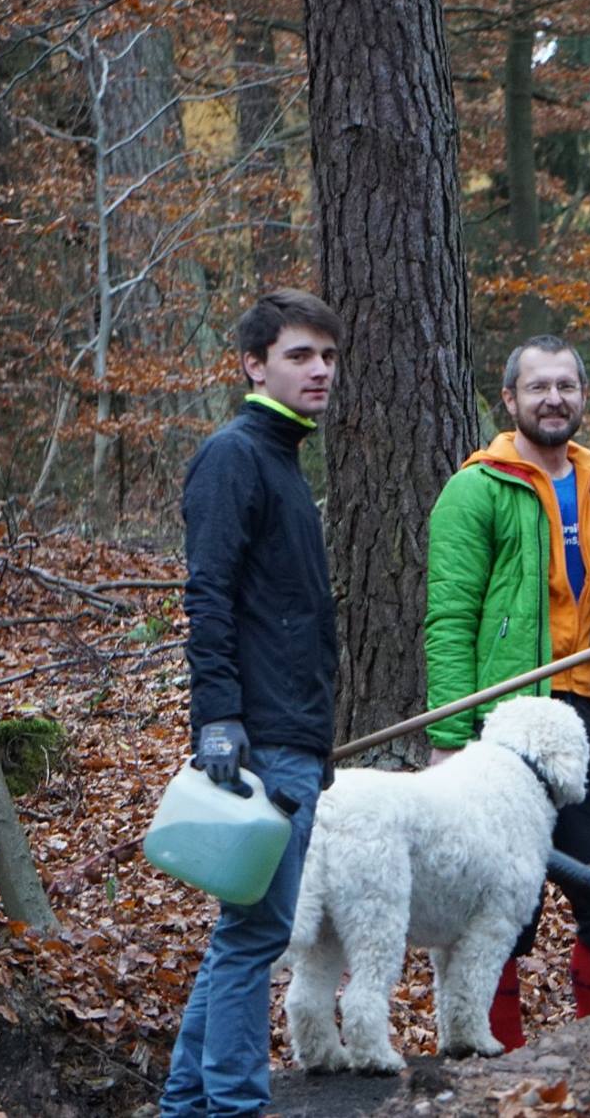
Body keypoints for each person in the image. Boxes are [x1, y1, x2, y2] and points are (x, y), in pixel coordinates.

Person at [423, 335, 590, 1051]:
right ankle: (493, 1061)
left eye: (566, 385)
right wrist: (451, 739)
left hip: (580, 722)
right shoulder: (476, 488)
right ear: (510, 399)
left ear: (582, 396)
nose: (553, 399)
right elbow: (450, 618)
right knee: (496, 902)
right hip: (502, 726)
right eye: (538, 387)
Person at [162, 288, 342, 1118]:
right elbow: (209, 596)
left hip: (292, 736)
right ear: (253, 365)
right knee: (254, 935)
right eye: (299, 355)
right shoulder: (234, 456)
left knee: (242, 932)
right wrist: (219, 720)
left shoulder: (282, 458)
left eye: (327, 356)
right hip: (262, 739)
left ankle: (186, 1104)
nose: (319, 370)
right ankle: (233, 1106)